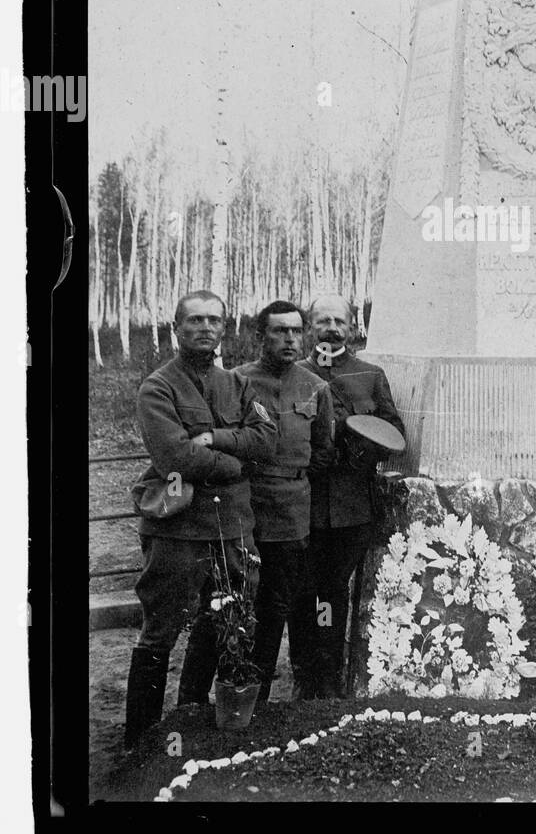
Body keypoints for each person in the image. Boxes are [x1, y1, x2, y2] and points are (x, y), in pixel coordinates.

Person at [124, 291, 276, 748]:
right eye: (194, 320)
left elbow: (265, 440)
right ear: (176, 327)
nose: (205, 328)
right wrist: (238, 464)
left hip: (232, 527)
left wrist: (215, 438)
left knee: (225, 623)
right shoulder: (159, 387)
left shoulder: (237, 383)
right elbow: (174, 455)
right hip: (178, 531)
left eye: (214, 320)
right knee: (161, 632)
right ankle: (141, 738)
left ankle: (192, 716)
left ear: (224, 329)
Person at [288, 294, 406, 698]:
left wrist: (362, 450)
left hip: (350, 507)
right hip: (302, 505)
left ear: (352, 326)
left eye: (339, 321)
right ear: (310, 326)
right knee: (303, 589)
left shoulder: (370, 376)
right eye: (323, 321)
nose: (332, 329)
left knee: (334, 589)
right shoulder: (295, 374)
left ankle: (330, 674)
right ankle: (304, 674)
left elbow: (393, 433)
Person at [235, 301, 335, 707]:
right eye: (279, 331)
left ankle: (290, 694)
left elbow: (323, 452)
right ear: (261, 336)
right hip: (247, 508)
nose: (290, 339)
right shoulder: (236, 382)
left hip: (294, 513)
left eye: (296, 331)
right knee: (244, 603)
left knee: (284, 601)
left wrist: (294, 481)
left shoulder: (315, 387)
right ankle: (245, 695)